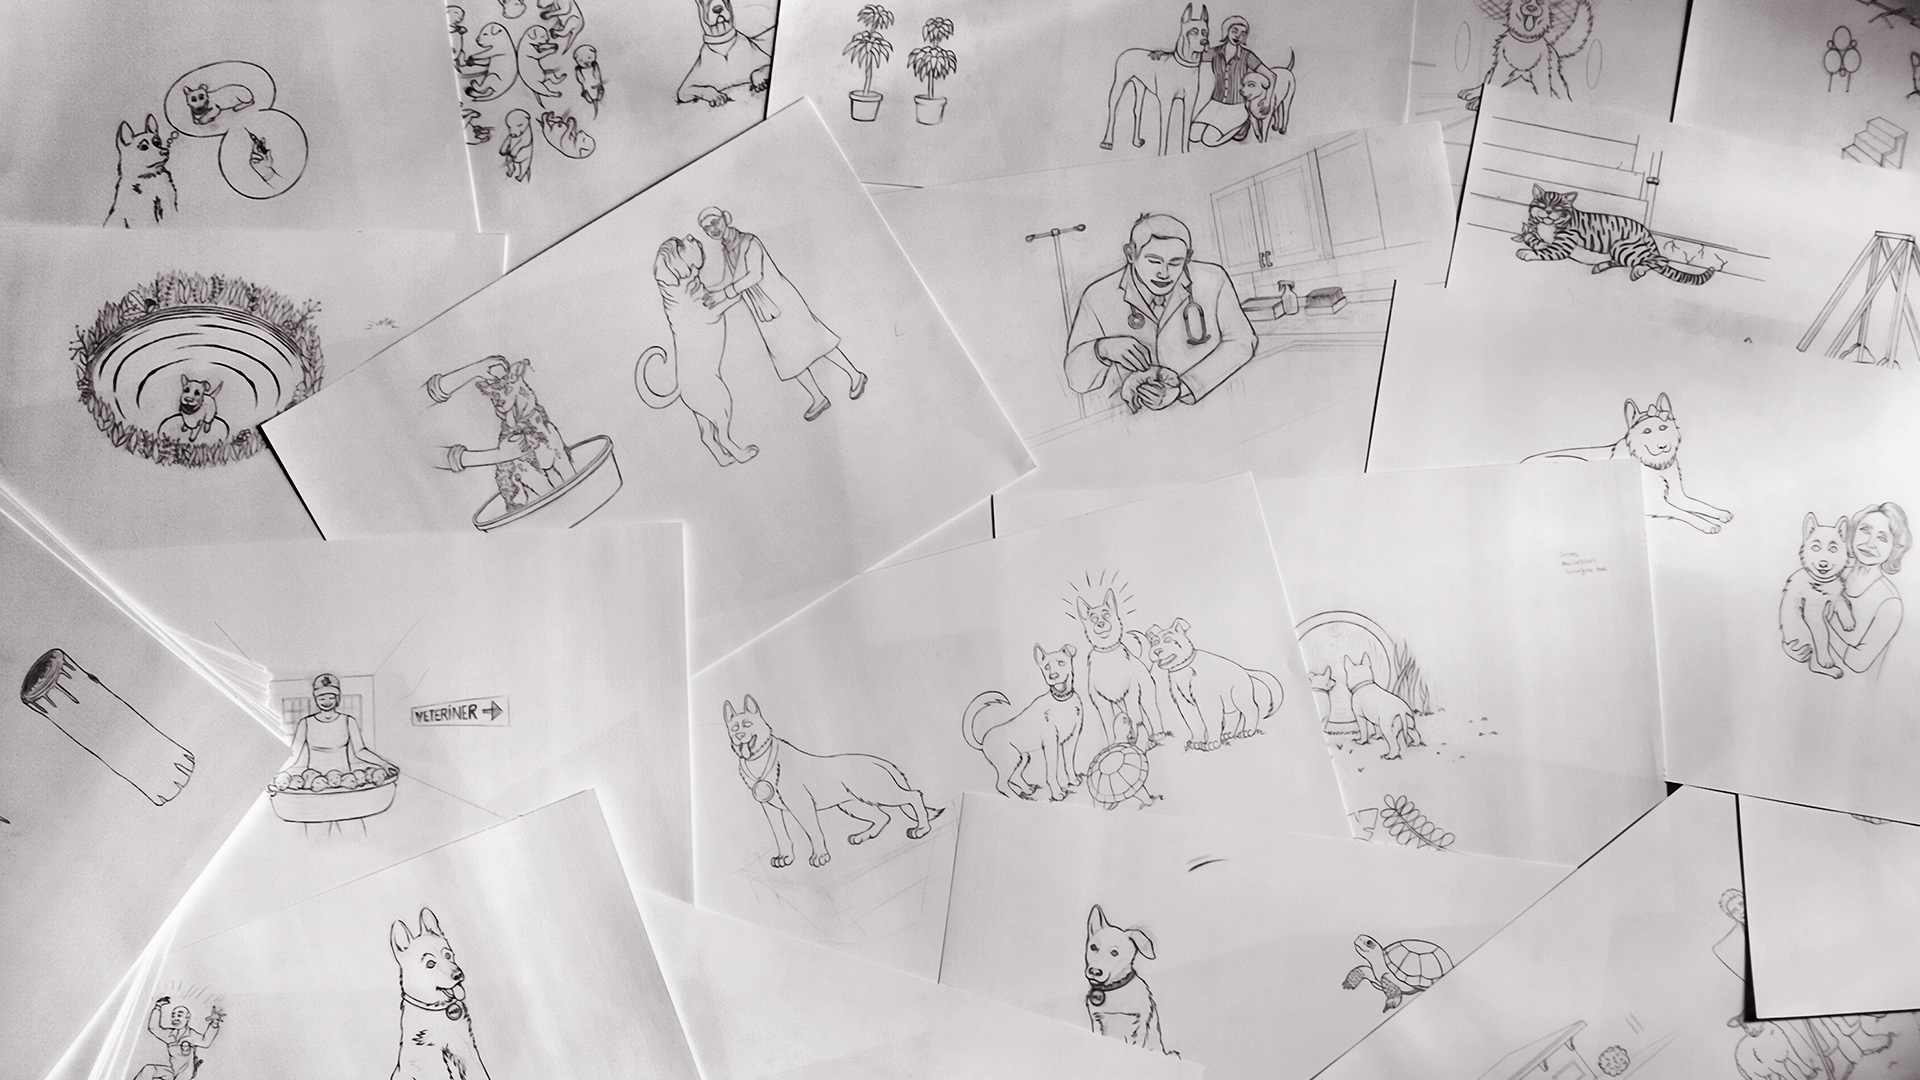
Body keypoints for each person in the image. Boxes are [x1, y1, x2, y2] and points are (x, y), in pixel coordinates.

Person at [1063, 213, 1258, 412]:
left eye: (1175, 262)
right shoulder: (1098, 295)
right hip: (1133, 414)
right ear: (1131, 254)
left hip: (1206, 406)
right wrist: (1102, 349)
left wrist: (1183, 387)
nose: (1164, 273)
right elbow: (1077, 380)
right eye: (1154, 261)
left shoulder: (1213, 279)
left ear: (1188, 257)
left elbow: (1242, 341)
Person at [699, 207, 869, 421]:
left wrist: (723, 293)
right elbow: (730, 278)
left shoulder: (749, 242)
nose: (712, 229)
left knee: (815, 339)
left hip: (782, 301)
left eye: (714, 222)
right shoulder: (727, 249)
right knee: (786, 354)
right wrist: (708, 292)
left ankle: (855, 375)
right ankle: (818, 397)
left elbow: (754, 275)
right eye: (707, 228)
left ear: (725, 218)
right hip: (762, 310)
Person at [1829, 502, 1911, 674]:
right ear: (1852, 533)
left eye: (1882, 538)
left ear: (1894, 549)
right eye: (1865, 530)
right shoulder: (1831, 573)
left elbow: (1858, 662)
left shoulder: (1889, 601)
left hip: (1851, 687)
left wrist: (1817, 626)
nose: (1870, 543)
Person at [275, 674, 396, 785]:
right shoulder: (305, 723)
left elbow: (360, 751)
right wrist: (275, 771)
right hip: (315, 780)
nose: (326, 702)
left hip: (344, 780)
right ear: (316, 699)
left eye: (331, 697)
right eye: (322, 698)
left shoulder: (348, 721)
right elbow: (293, 754)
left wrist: (384, 764)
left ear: (337, 698)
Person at [1190, 17, 1272, 146]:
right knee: (1193, 136)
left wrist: (1267, 100)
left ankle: (1242, 126)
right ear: (1226, 31)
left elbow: (1272, 76)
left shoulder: (1247, 55)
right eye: (1235, 31)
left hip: (1236, 106)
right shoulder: (1215, 52)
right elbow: (1190, 56)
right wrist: (1164, 53)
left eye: (1243, 33)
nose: (1238, 36)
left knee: (1209, 140)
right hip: (1215, 103)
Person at [130, 998, 222, 1080]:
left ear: (187, 1018)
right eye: (173, 1016)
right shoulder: (169, 1035)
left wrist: (214, 1024)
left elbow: (205, 1042)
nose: (175, 1018)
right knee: (149, 1069)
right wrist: (157, 1007)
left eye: (179, 1015)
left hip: (185, 1074)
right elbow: (154, 1027)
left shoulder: (191, 1035)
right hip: (172, 1071)